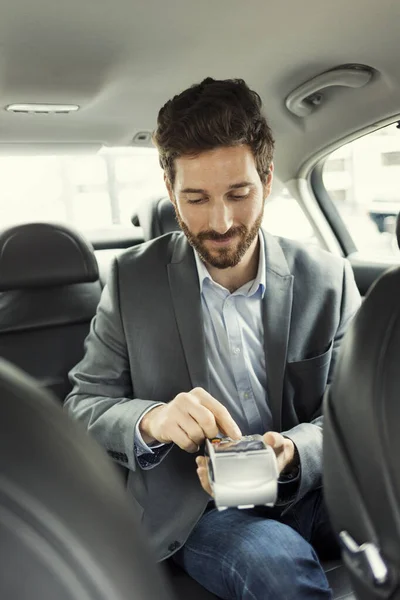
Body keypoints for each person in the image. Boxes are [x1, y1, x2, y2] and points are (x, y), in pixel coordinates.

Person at [65, 77, 361, 599]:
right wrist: (151, 420)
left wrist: (293, 451)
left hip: (320, 488)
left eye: (239, 194)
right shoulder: (133, 280)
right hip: (201, 510)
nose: (220, 222)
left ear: (267, 181)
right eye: (196, 199)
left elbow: (358, 413)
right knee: (279, 568)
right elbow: (82, 404)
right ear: (170, 192)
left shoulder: (327, 277)